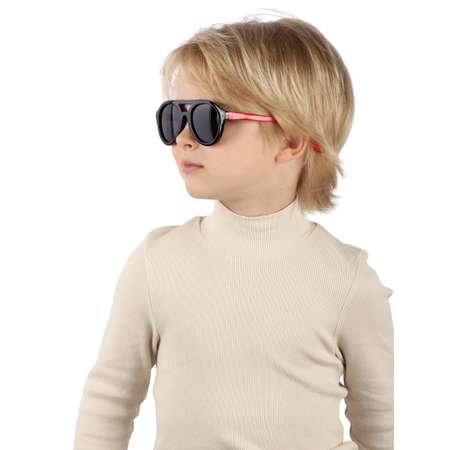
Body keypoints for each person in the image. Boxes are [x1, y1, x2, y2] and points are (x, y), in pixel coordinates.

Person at [72, 13, 394, 450]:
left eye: (209, 119)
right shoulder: (156, 263)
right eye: (174, 117)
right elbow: (108, 403)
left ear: (291, 140)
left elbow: (379, 426)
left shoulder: (348, 280)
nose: (183, 138)